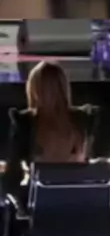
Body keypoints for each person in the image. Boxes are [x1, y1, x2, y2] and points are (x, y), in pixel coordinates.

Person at [3, 61, 99, 202]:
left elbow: (12, 176)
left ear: (33, 89)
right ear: (64, 87)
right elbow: (92, 165)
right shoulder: (84, 119)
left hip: (40, 204)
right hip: (79, 202)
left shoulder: (25, 122)